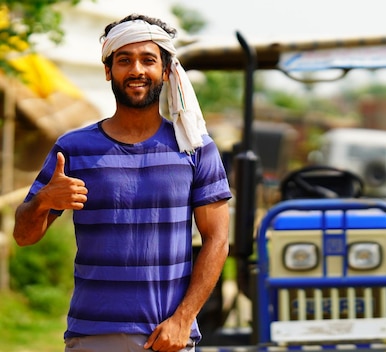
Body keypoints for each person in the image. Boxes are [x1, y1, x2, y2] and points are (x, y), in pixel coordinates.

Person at [13, 14, 232, 352]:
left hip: (168, 338)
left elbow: (217, 239)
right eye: (124, 60)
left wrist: (183, 319)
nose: (136, 70)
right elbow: (24, 237)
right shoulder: (73, 148)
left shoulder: (195, 148)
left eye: (148, 60)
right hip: (92, 336)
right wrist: (43, 199)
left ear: (166, 70)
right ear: (108, 70)